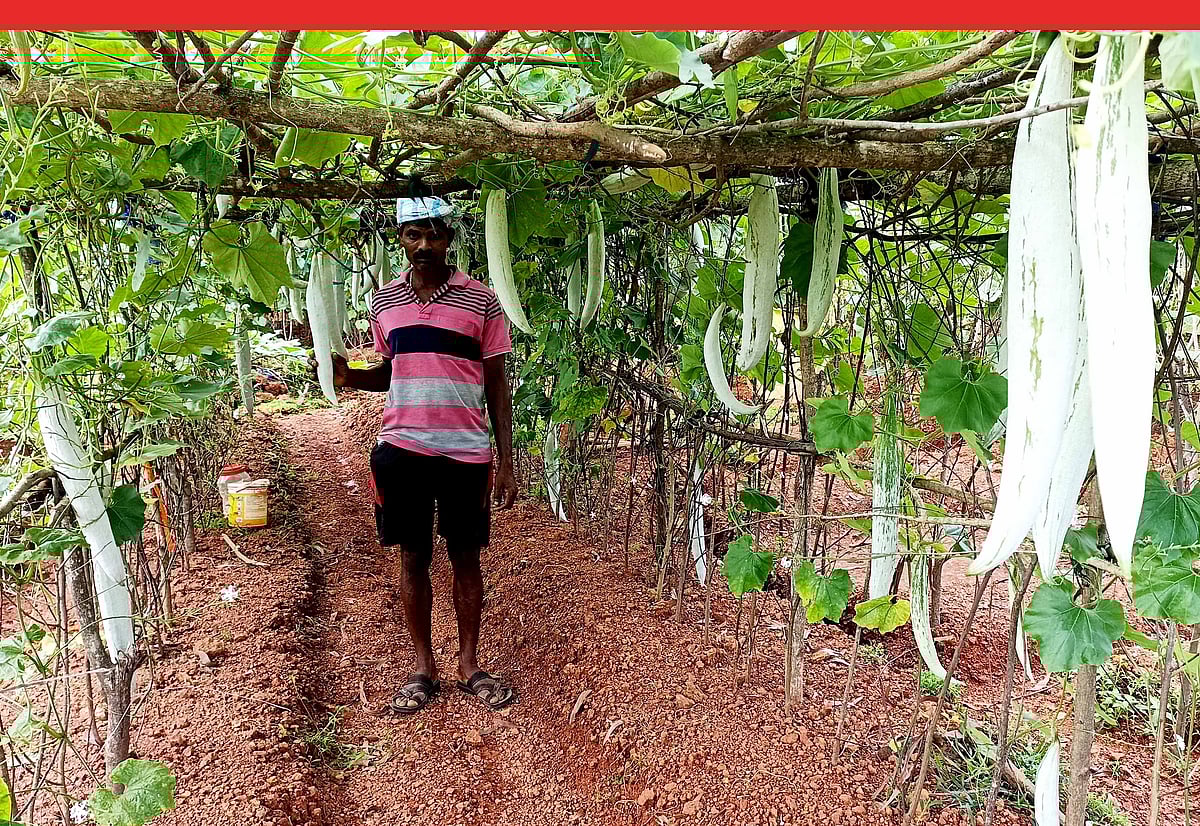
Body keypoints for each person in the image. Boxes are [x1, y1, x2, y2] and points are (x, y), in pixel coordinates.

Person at [323, 195, 519, 714]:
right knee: (413, 556)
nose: (424, 244)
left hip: (466, 451)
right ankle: (422, 667)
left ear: (450, 238)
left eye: (434, 234)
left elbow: (497, 385)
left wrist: (508, 463)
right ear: (401, 238)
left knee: (466, 556)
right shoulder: (383, 304)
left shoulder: (482, 302)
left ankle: (469, 664)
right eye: (414, 235)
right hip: (402, 447)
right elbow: (395, 369)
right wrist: (353, 378)